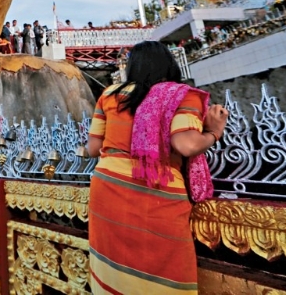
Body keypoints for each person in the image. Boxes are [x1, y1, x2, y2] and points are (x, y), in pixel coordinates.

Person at [86, 41, 228, 294]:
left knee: (112, 270)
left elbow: (93, 149)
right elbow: (186, 144)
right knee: (166, 269)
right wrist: (215, 132)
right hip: (157, 193)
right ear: (169, 64)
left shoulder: (109, 94)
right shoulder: (182, 95)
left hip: (107, 189)